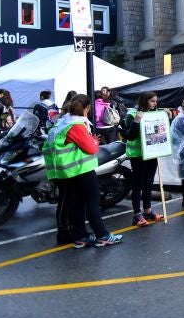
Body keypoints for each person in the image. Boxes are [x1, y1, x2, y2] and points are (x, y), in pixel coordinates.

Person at [43, 94, 122, 248]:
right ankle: (102, 235)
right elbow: (91, 148)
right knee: (93, 202)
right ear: (86, 108)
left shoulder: (60, 124)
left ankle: (81, 236)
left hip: (68, 172)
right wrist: (94, 140)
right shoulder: (76, 125)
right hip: (82, 170)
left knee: (77, 204)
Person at [123, 91, 166, 227]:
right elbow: (129, 135)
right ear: (145, 101)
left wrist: (167, 118)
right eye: (152, 101)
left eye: (156, 101)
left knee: (148, 183)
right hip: (138, 155)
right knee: (138, 184)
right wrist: (136, 121)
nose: (155, 104)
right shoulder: (132, 114)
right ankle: (137, 215)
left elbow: (162, 131)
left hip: (151, 153)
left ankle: (148, 210)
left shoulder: (155, 113)